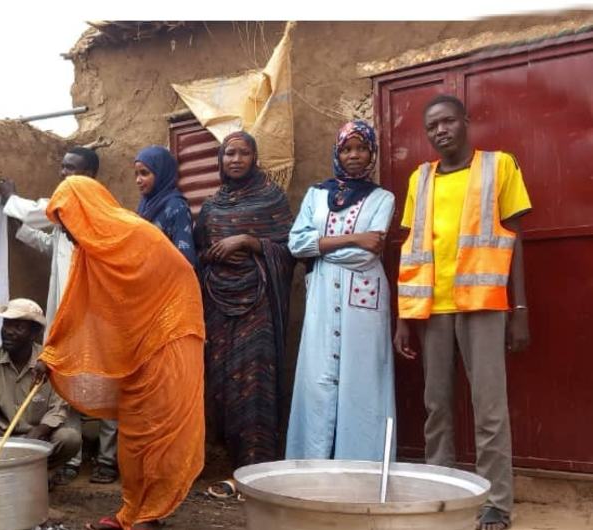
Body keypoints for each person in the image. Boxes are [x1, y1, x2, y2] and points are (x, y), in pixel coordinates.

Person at [393, 94, 531, 530]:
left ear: (466, 122)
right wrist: (403, 319)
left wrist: (520, 308)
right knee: (437, 407)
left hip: (484, 306)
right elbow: (412, 248)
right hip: (434, 309)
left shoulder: (499, 166)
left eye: (448, 121)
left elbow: (515, 240)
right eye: (431, 125)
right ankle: (441, 491)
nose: (440, 131)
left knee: (489, 409)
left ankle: (496, 503)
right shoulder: (421, 178)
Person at [36, 176, 205, 530]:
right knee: (134, 432)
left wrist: (161, 322)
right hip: (135, 349)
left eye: (68, 224)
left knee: (161, 429)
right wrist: (50, 354)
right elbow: (76, 308)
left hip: (170, 335)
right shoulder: (91, 252)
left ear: (86, 212)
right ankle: (132, 511)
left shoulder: (133, 233)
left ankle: (151, 514)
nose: (67, 235)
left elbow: (181, 275)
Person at [0, 147, 113, 486]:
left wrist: (13, 199)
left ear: (90, 174)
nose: (64, 173)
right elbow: (54, 245)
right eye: (61, 167)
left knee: (106, 388)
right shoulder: (66, 214)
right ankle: (72, 460)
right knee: (68, 388)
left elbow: (44, 211)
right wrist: (19, 227)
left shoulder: (91, 207)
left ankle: (107, 459)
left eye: (72, 168)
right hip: (67, 319)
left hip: (97, 319)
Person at [286, 120, 396, 460]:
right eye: (347, 149)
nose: (354, 155)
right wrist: (352, 237)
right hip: (321, 293)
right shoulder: (316, 195)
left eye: (361, 148)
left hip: (363, 294)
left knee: (362, 380)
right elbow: (295, 244)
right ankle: (312, 463)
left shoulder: (383, 198)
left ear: (371, 153)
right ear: (337, 152)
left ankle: (363, 466)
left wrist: (324, 246)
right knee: (316, 379)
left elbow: (366, 254)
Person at [193, 131, 294, 499]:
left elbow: (290, 249)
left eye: (244, 153)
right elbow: (198, 253)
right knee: (220, 384)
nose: (235, 159)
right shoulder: (210, 207)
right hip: (217, 305)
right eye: (229, 153)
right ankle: (223, 467)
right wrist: (215, 256)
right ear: (220, 160)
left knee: (255, 383)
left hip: (258, 304)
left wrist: (250, 243)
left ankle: (256, 470)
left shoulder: (272, 199)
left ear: (255, 158)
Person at [0, 298, 81, 473]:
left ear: (35, 333)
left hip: (39, 437)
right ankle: (5, 473)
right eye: (6, 325)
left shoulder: (49, 363)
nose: (8, 332)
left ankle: (41, 472)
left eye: (18, 327)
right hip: (4, 435)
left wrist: (39, 431)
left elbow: (58, 408)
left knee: (69, 438)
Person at [135, 145, 197, 267]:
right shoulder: (145, 205)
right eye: (136, 174)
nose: (138, 180)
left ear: (161, 173)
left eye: (144, 173)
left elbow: (185, 259)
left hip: (168, 281)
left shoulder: (177, 207)